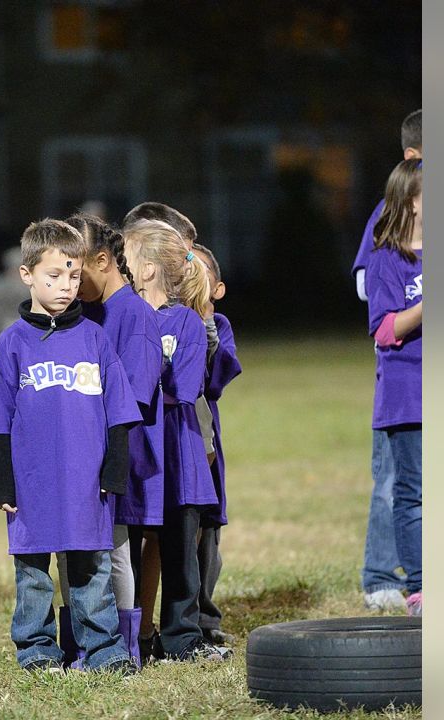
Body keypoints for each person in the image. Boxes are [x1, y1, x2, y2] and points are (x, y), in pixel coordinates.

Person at [0, 219, 141, 674]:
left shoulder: (95, 338)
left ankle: (106, 650)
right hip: (31, 486)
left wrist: (113, 474)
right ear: (27, 275)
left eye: (73, 276)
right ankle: (36, 651)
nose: (66, 287)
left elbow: (120, 414)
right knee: (33, 577)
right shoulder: (12, 344)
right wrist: (1, 487)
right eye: (54, 277)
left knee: (92, 571)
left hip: (87, 483)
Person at [54, 213, 164, 669]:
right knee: (82, 549)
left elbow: (130, 401)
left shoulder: (133, 316)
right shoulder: (92, 313)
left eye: (76, 270)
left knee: (116, 552)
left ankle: (123, 648)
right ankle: (79, 643)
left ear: (103, 260)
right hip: (86, 456)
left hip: (119, 459)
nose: (71, 281)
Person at [124, 219, 230, 662]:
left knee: (180, 551)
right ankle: (132, 636)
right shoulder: (123, 315)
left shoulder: (184, 320)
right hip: (137, 449)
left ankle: (182, 637)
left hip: (179, 451)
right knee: (128, 546)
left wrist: (140, 382)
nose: (122, 264)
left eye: (127, 255)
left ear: (147, 269)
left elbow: (186, 388)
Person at [353, 109, 421, 612]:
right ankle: (383, 574)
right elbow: (370, 293)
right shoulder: (390, 215)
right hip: (405, 382)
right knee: (397, 482)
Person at [191, 243, 242, 646]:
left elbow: (215, 380)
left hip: (204, 444)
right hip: (171, 444)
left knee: (208, 534)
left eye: (197, 271)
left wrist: (205, 320)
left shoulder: (218, 325)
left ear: (217, 288)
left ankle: (204, 617)